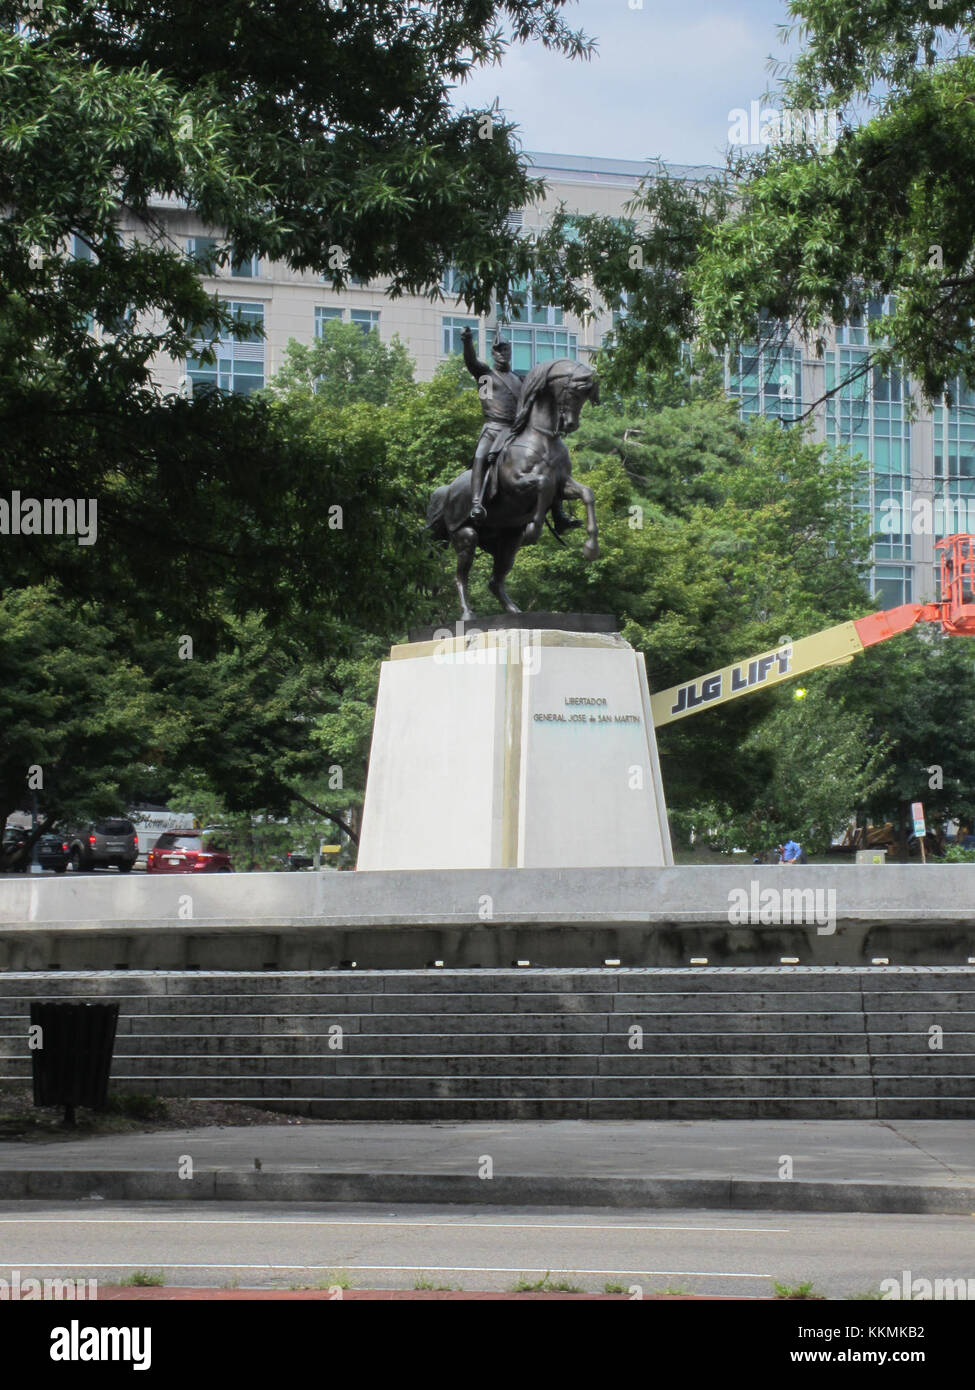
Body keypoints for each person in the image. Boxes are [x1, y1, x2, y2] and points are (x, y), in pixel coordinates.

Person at [460, 326, 578, 533]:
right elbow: (471, 362)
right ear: (493, 353)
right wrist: (467, 341)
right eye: (498, 350)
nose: (503, 354)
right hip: (494, 428)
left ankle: (558, 513)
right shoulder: (486, 375)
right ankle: (477, 503)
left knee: (548, 462)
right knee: (480, 455)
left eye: (506, 350)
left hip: (517, 430)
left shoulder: (519, 379)